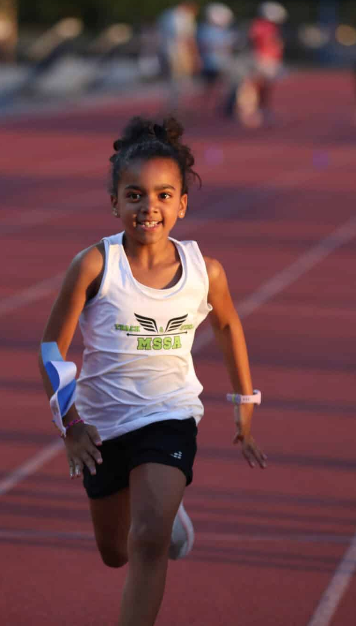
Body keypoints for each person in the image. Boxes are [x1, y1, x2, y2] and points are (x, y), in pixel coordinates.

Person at [38, 116, 267, 626]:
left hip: (170, 415)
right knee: (115, 551)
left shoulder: (205, 271)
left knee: (145, 542)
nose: (150, 207)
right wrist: (71, 426)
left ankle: (160, 520)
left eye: (165, 195)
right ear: (115, 201)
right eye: (136, 195)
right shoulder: (95, 265)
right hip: (100, 426)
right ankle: (170, 519)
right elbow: (52, 347)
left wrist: (243, 408)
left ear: (182, 203)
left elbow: (228, 327)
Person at [247, 1, 286, 126]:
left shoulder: (270, 27)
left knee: (266, 87)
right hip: (263, 59)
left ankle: (263, 109)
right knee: (258, 86)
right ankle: (254, 110)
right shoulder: (259, 26)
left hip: (270, 60)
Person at [156, 2, 199, 111]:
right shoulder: (185, 17)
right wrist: (195, 56)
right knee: (182, 80)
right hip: (179, 52)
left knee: (171, 81)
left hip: (165, 51)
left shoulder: (166, 15)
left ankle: (173, 104)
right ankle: (179, 106)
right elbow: (187, 38)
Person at [196, 2, 234, 113]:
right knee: (210, 87)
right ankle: (205, 108)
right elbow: (205, 46)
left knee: (221, 87)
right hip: (211, 64)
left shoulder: (221, 31)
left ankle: (215, 107)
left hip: (220, 63)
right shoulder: (205, 30)